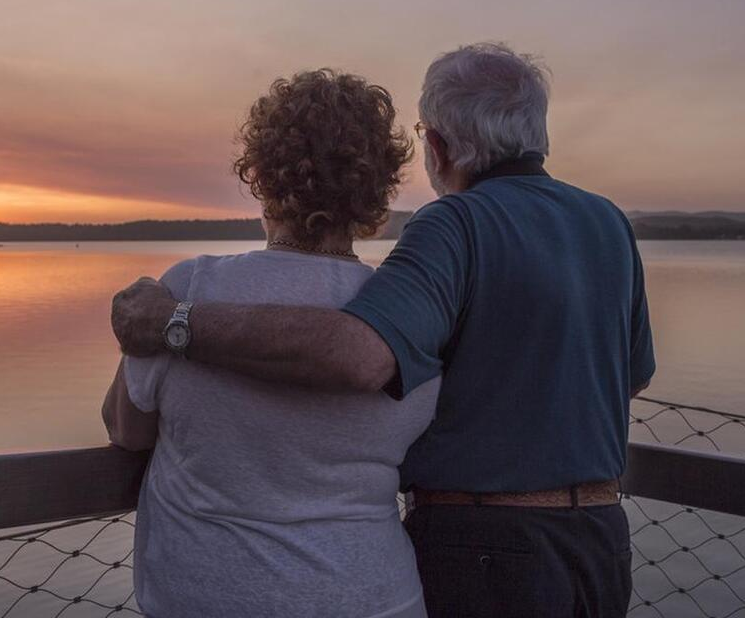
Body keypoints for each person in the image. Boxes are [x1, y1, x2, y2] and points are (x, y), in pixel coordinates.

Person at [112, 43, 656, 618]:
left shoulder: (454, 222)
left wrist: (171, 320)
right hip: (598, 541)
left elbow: (362, 356)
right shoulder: (608, 222)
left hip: (487, 552)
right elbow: (632, 376)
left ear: (439, 147)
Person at [101, 69, 440, 618]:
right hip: (376, 597)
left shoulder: (190, 288)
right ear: (376, 186)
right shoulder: (404, 311)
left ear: (260, 172)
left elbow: (127, 430)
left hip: (213, 597)